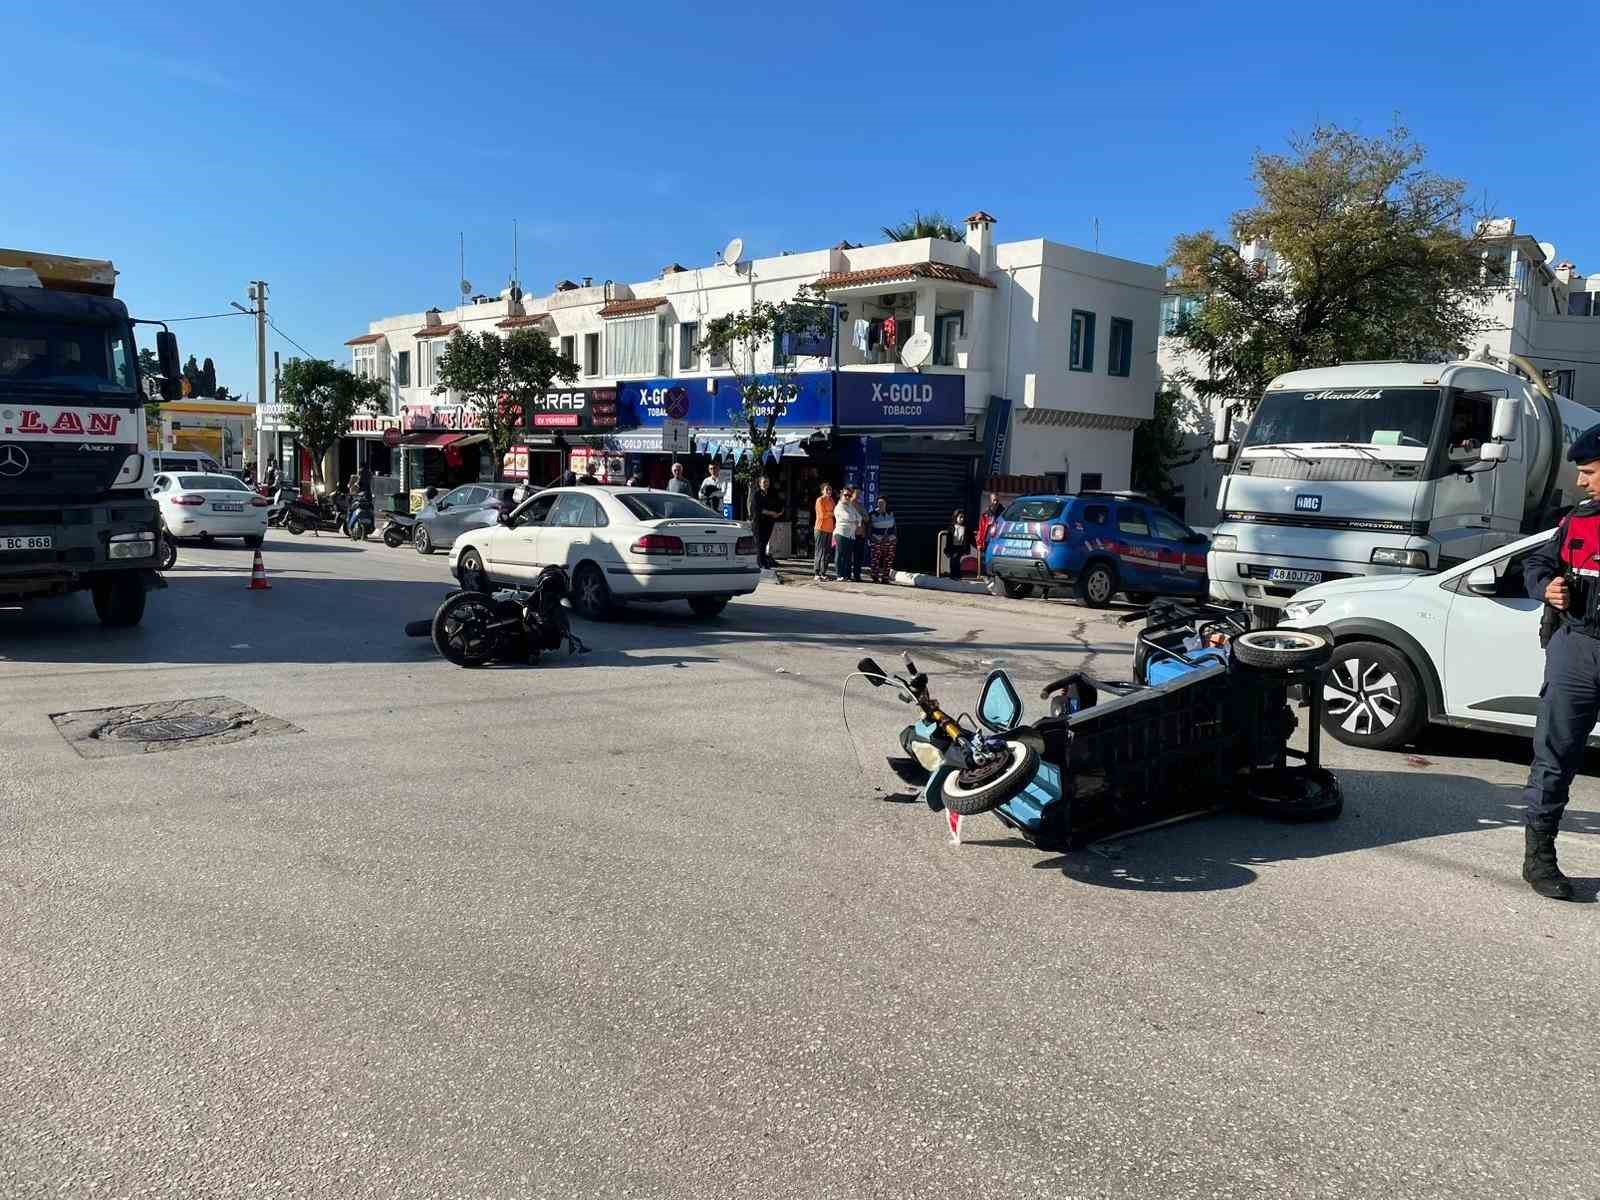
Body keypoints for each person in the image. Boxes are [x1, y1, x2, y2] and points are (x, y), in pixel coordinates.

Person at [1518, 423, 1600, 900]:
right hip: (1577, 649)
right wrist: (1544, 587)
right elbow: (1536, 564)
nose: (1581, 482)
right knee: (1554, 760)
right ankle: (1539, 859)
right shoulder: (1577, 520)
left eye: (1589, 472)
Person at [833, 486, 865, 582]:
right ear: (841, 495)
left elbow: (859, 517)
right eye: (845, 495)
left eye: (849, 495)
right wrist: (854, 521)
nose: (847, 497)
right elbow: (846, 517)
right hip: (841, 533)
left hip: (851, 534)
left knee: (847, 556)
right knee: (840, 555)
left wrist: (856, 522)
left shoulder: (850, 506)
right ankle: (839, 575)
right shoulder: (838, 507)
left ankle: (846, 575)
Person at [754, 476, 783, 570]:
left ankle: (764, 561)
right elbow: (758, 509)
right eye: (764, 482)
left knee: (765, 542)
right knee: (760, 543)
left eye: (767, 482)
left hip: (769, 521)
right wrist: (771, 513)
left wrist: (778, 513)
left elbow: (777, 504)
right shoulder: (757, 494)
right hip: (759, 522)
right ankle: (760, 562)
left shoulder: (771, 494)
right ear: (759, 483)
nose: (766, 484)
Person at [868, 496, 898, 583]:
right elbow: (869, 529)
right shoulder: (872, 514)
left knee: (889, 559)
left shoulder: (891, 513)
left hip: (890, 540)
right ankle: (875, 577)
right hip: (877, 540)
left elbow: (894, 527)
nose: (880, 504)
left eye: (882, 503)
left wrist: (895, 538)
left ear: (886, 504)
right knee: (875, 559)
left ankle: (885, 578)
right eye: (879, 503)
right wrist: (872, 538)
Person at [975, 494, 1004, 579]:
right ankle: (985, 576)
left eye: (997, 500)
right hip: (987, 538)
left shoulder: (1003, 512)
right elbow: (981, 528)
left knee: (995, 558)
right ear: (990, 500)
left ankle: (994, 576)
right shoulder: (986, 513)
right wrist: (979, 541)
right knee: (984, 558)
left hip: (997, 539)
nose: (995, 502)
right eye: (994, 500)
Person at [813, 483, 836, 580]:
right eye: (826, 489)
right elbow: (822, 515)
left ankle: (823, 573)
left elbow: (835, 513)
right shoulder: (820, 500)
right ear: (822, 491)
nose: (829, 491)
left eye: (830, 489)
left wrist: (830, 514)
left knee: (827, 552)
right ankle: (816, 573)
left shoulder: (831, 500)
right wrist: (832, 513)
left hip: (829, 529)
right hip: (820, 528)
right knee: (820, 551)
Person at [946, 508, 970, 579]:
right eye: (960, 517)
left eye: (963, 517)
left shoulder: (965, 528)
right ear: (956, 517)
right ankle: (954, 575)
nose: (962, 519)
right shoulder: (951, 527)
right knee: (952, 561)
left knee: (955, 558)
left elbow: (970, 539)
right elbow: (949, 540)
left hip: (961, 548)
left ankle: (957, 575)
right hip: (953, 547)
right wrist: (947, 549)